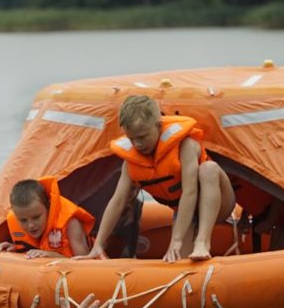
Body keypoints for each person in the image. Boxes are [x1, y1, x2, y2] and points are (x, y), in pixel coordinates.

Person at [76, 95, 235, 263]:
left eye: (142, 137)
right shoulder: (131, 162)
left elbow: (190, 193)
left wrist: (176, 239)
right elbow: (118, 200)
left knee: (208, 169)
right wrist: (99, 243)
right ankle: (193, 247)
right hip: (185, 211)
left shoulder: (186, 145)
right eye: (132, 139)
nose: (137, 144)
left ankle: (203, 242)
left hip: (218, 203)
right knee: (181, 264)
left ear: (159, 126)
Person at [0, 176, 95, 259]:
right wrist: (13, 250)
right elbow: (29, 249)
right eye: (23, 220)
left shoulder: (71, 224)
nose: (30, 225)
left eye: (36, 217)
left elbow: (84, 264)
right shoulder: (16, 220)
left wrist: (51, 256)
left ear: (49, 207)